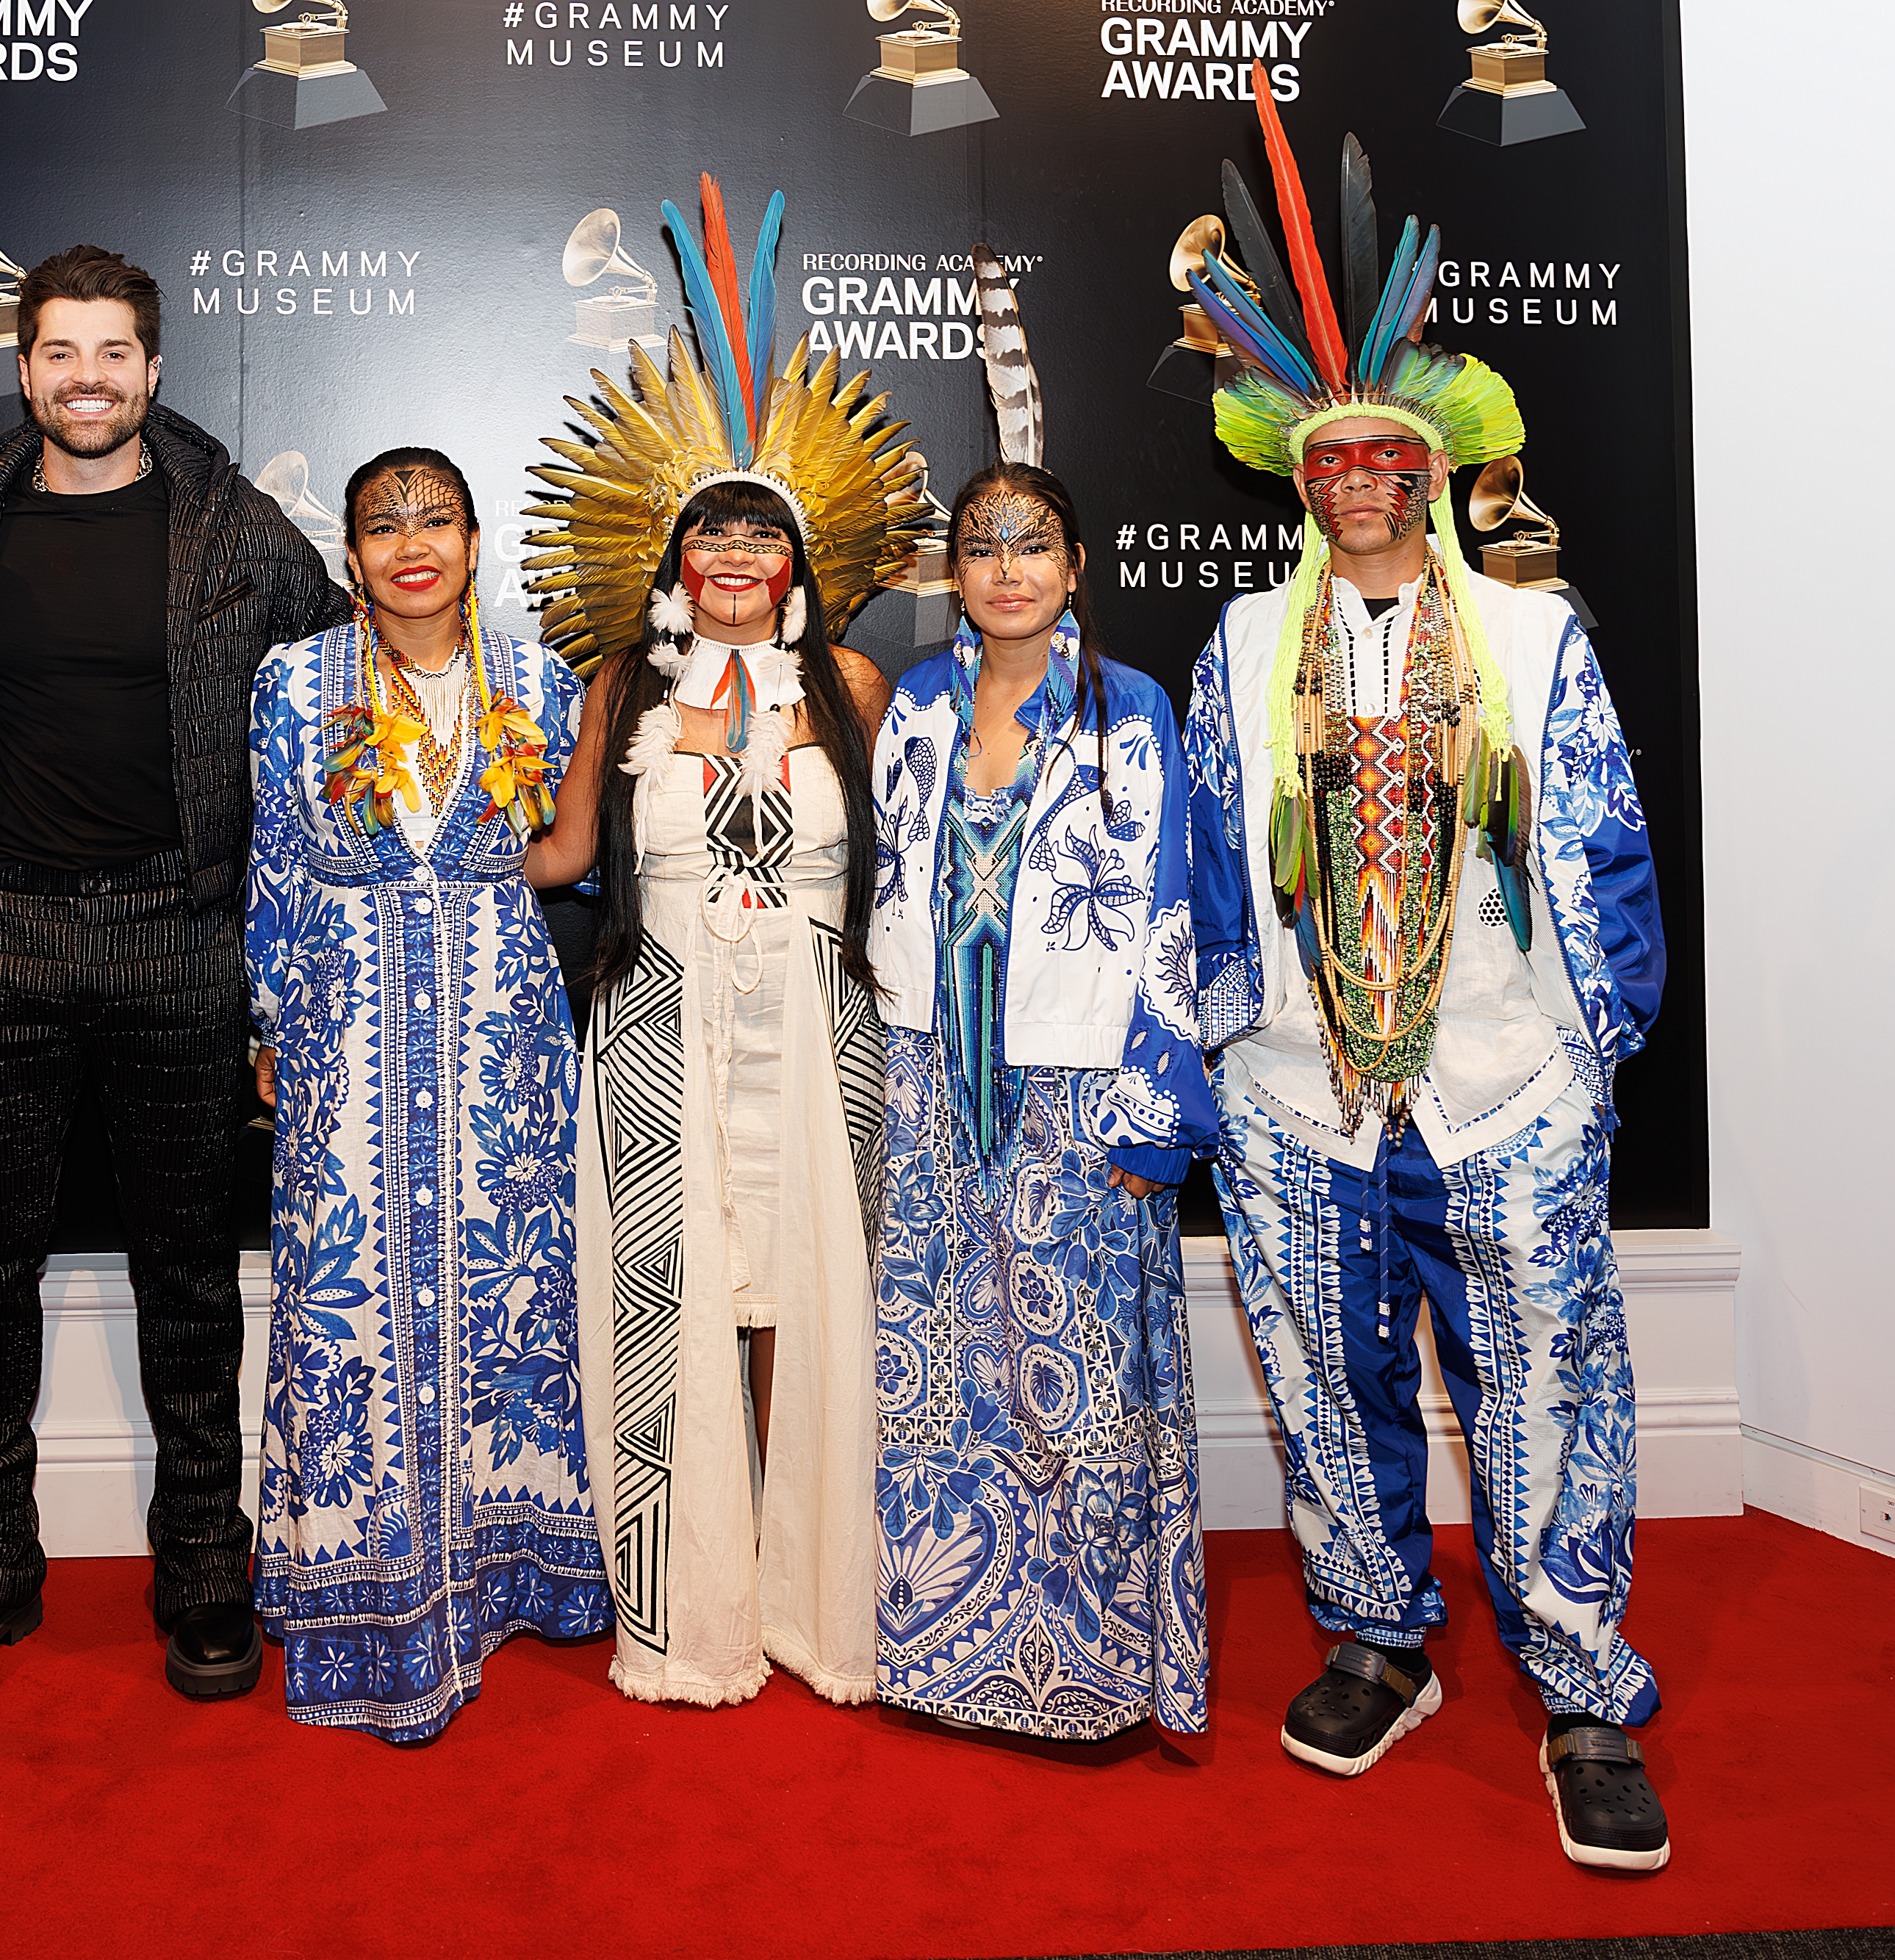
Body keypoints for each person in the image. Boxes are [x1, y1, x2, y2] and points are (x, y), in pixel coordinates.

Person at [1177, 76, 1670, 1868]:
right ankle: (1380, 1636)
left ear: (1434, 470)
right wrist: (1224, 1045)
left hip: (1500, 1075)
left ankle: (1582, 1685)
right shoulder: (1242, 641)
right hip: (1299, 1088)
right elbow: (1211, 852)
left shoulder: (1529, 629)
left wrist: (1589, 1042)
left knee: (1546, 1375)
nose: (1364, 484)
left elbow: (1599, 838)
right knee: (1321, 1373)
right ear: (1299, 480)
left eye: (1393, 459)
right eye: (1334, 462)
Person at [0, 245, 350, 1714]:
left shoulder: (239, 535)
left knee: (190, 1274)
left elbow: (345, 696)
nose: (86, 377)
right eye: (58, 353)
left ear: (151, 371)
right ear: (21, 371)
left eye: (112, 353)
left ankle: (204, 1558)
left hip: (177, 936)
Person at [522, 175, 921, 1708]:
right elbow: (564, 850)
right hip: (656, 1013)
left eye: (763, 536)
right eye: (713, 537)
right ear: (674, 559)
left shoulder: (860, 689)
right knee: (669, 1307)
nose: (738, 560)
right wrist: (427, 855)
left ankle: (820, 1608)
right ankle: (689, 1614)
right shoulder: (621, 683)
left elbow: (916, 863)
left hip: (822, 1018)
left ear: (799, 557)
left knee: (817, 1300)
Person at [243, 447, 607, 1740]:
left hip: (502, 1036)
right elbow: (276, 865)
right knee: (351, 1296)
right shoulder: (295, 682)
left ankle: (513, 1568)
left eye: (437, 519)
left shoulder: (540, 682)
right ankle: (361, 1587)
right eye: (384, 523)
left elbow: (569, 861)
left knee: (508, 1291)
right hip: (346, 1023)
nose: (413, 543)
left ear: (473, 542)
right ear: (351, 555)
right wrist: (273, 1023)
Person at [868, 459, 1213, 1742]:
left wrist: (1160, 1100)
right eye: (980, 545)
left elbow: (1175, 903)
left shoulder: (1130, 711)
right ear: (953, 575)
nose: (1006, 568)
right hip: (931, 1085)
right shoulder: (911, 705)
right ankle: (946, 1656)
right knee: (941, 1374)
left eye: (1032, 544)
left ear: (1073, 569)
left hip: (1080, 1090)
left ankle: (1091, 1677)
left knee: (1074, 1374)